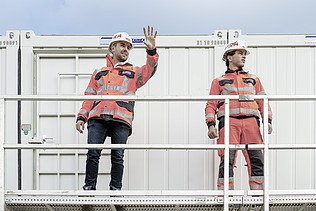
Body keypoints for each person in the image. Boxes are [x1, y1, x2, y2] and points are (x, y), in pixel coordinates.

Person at [76, 26, 159, 191]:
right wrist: (81, 117)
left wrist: (151, 51)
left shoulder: (134, 72)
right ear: (112, 47)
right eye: (122, 45)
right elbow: (89, 96)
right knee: (93, 154)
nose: (126, 49)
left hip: (121, 119)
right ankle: (89, 189)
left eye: (128, 47)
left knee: (118, 156)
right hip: (97, 118)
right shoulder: (99, 72)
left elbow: (150, 70)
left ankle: (115, 191)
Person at [205, 40, 272, 190]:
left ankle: (259, 196)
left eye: (244, 54)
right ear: (229, 57)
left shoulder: (254, 79)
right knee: (227, 160)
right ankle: (226, 196)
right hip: (228, 123)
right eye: (240, 53)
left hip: (251, 123)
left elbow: (264, 102)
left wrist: (268, 121)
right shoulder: (219, 81)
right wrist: (211, 125)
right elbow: (211, 104)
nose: (244, 56)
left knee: (256, 160)